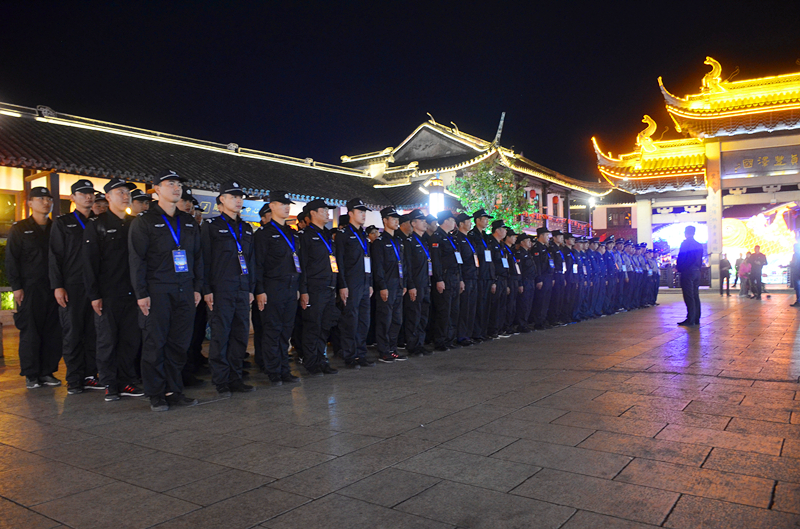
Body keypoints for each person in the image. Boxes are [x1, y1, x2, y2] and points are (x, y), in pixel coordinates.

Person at [129, 169, 202, 411]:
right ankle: (156, 393)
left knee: (179, 344)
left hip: (185, 289)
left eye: (178, 184)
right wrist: (141, 293)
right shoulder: (144, 221)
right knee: (155, 343)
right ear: (157, 189)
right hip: (157, 290)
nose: (176, 188)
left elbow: (198, 257)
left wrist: (197, 287)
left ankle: (174, 389)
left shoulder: (188, 221)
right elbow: (137, 260)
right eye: (170, 184)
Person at [83, 178, 144, 401]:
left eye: (127, 192)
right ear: (108, 197)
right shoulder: (96, 224)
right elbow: (89, 263)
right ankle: (109, 382)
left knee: (130, 339)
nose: (125, 196)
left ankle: (126, 381)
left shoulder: (135, 223)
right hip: (107, 293)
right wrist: (94, 295)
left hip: (133, 292)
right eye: (120, 192)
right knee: (107, 340)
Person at [202, 180, 256, 397]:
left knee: (240, 335)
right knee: (220, 335)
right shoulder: (211, 226)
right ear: (222, 200)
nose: (238, 200)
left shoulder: (246, 228)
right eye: (233, 196)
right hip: (221, 289)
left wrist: (251, 288)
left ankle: (235, 377)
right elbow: (204, 260)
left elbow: (251, 261)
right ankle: (221, 380)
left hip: (242, 288)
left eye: (240, 196)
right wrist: (206, 289)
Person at [7, 187, 62, 389]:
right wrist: (17, 287)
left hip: (53, 287)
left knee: (52, 331)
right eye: (40, 199)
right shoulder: (20, 228)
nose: (46, 203)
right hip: (30, 287)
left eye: (49, 199)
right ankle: (31, 374)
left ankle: (47, 372)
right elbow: (11, 259)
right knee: (30, 330)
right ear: (30, 203)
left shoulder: (56, 227)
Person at [50, 179, 100, 394]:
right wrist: (58, 286)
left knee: (93, 332)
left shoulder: (99, 221)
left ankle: (90, 375)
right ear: (73, 198)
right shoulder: (64, 223)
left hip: (96, 286)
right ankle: (74, 378)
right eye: (83, 193)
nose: (88, 197)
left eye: (91, 193)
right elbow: (55, 256)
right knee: (73, 332)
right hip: (73, 285)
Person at [255, 190, 303, 385]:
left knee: (286, 331)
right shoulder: (264, 234)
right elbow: (258, 264)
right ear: (272, 206)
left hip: (291, 288)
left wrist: (298, 287)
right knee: (272, 331)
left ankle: (284, 369)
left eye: (288, 204)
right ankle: (273, 371)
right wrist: (260, 290)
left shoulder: (292, 233)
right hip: (272, 288)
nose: (286, 207)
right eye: (282, 204)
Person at [298, 199, 340, 375]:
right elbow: (302, 265)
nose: (327, 213)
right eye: (323, 210)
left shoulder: (327, 235)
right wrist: (304, 290)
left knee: (325, 325)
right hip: (314, 288)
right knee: (312, 326)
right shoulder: (305, 236)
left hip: (329, 287)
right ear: (313, 213)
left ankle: (321, 360)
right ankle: (311, 362)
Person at [335, 198, 375, 369]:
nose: (363, 215)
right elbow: (339, 261)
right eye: (360, 212)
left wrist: (370, 282)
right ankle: (350, 355)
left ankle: (361, 353)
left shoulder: (363, 235)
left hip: (365, 282)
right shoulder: (343, 234)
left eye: (364, 212)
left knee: (364, 320)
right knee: (350, 320)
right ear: (350, 213)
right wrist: (342, 285)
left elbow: (368, 260)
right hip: (351, 282)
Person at [372, 207, 407, 362]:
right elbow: (378, 267)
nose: (396, 221)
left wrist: (404, 283)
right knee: (385, 319)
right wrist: (382, 286)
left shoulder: (398, 241)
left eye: (397, 219)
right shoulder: (379, 242)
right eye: (393, 219)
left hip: (398, 285)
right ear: (385, 221)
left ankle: (393, 348)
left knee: (397, 319)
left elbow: (403, 264)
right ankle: (384, 350)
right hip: (387, 285)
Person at [430, 210, 463, 350]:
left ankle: (450, 339)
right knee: (444, 310)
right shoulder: (437, 237)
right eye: (452, 220)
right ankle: (440, 340)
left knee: (454, 310)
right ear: (445, 221)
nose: (454, 223)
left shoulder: (451, 238)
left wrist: (460, 279)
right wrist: (439, 279)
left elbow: (457, 260)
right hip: (445, 277)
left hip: (454, 277)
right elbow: (436, 260)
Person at [403, 209, 433, 356]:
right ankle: (412, 345)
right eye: (421, 221)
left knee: (423, 315)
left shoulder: (424, 241)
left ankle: (420, 343)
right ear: (413, 223)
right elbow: (407, 266)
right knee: (414, 316)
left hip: (426, 283)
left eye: (424, 221)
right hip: (416, 284)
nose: (424, 223)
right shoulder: (409, 242)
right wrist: (411, 285)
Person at [468, 209, 495, 342]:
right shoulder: (472, 235)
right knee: (478, 305)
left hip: (487, 274)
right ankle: (476, 332)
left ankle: (483, 331)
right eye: (484, 219)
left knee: (486, 305)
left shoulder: (486, 236)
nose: (487, 221)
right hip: (479, 275)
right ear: (477, 220)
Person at [251, 203, 272, 372]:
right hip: (263, 287)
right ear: (263, 219)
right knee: (262, 327)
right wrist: (259, 289)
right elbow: (257, 265)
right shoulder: (260, 235)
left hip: (280, 288)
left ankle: (272, 358)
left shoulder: (286, 234)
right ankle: (262, 359)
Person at [454, 212, 478, 347]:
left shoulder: (469, 239)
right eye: (468, 222)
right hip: (465, 276)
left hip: (473, 276)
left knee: (471, 307)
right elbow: (459, 261)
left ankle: (468, 333)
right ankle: (461, 335)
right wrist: (461, 278)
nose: (470, 224)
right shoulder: (457, 239)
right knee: (464, 307)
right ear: (461, 224)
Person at [676, 225, 703, 326]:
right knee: (695, 295)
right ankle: (696, 318)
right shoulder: (699, 245)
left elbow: (682, 257)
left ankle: (690, 319)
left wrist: (678, 268)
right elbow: (700, 260)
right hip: (696, 271)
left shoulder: (685, 244)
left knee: (688, 295)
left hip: (687, 272)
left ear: (686, 233)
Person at [486, 219, 510, 338]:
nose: (506, 232)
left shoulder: (501, 245)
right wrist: (494, 280)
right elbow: (491, 264)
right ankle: (493, 330)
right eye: (504, 229)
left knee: (502, 305)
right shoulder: (491, 243)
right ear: (497, 230)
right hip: (496, 278)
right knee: (495, 306)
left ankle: (499, 329)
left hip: (503, 278)